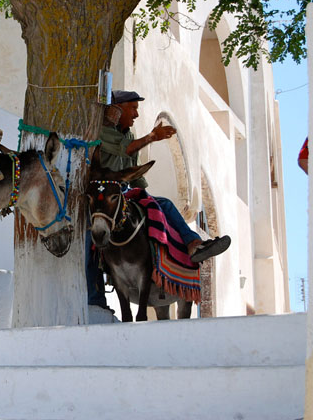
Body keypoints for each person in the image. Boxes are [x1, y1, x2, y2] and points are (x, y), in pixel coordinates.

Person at [86, 90, 231, 308]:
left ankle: (193, 245)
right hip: (101, 194)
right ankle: (96, 297)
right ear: (117, 108)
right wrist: (152, 137)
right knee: (90, 247)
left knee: (163, 204)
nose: (135, 114)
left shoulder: (129, 135)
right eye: (133, 108)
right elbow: (126, 151)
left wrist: (145, 195)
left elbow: (132, 171)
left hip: (122, 192)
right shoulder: (104, 132)